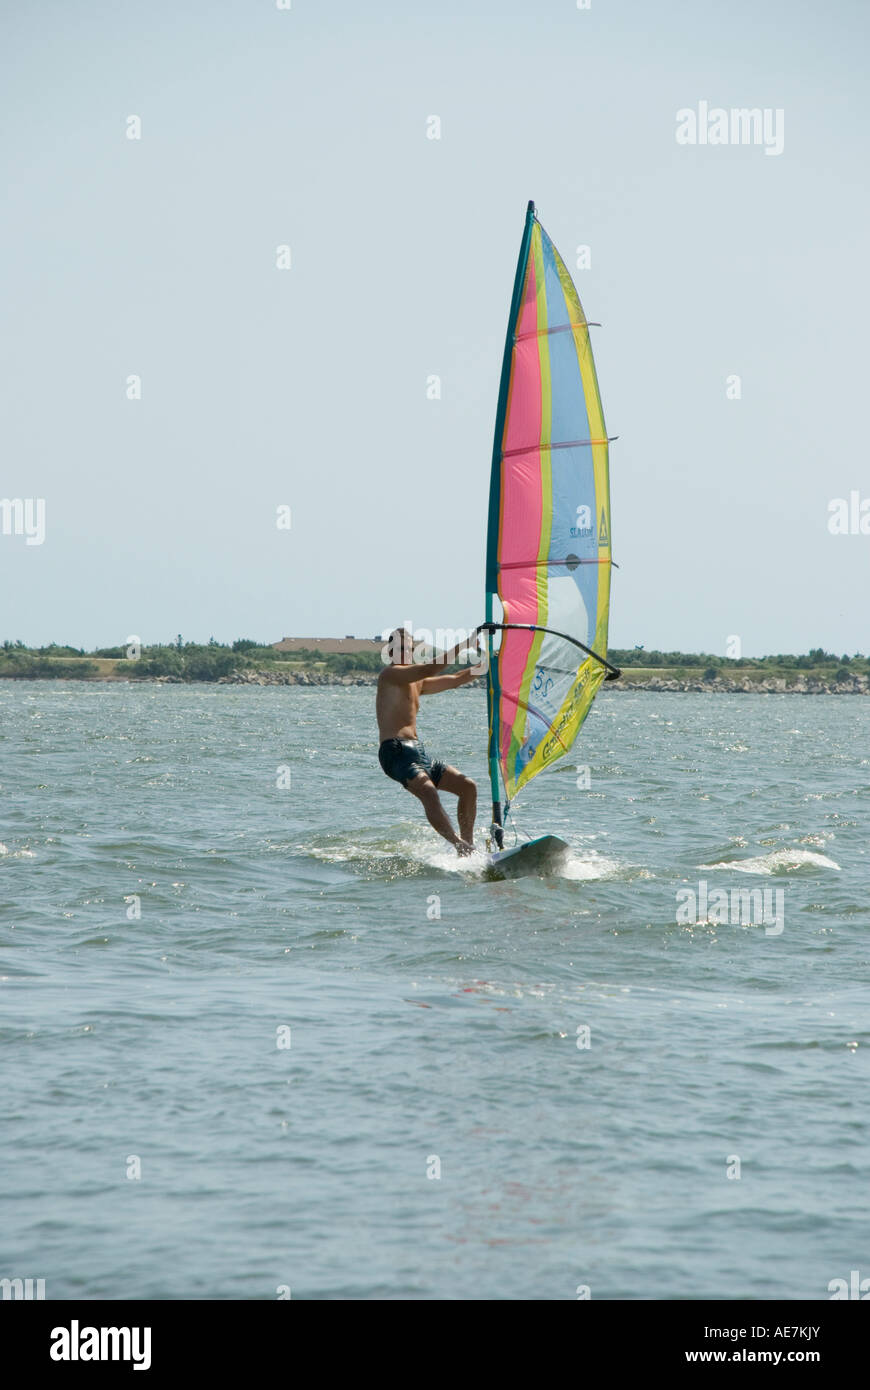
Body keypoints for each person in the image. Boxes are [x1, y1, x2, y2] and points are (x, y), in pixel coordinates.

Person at [376, 627, 484, 855]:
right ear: (390, 651)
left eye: (408, 648)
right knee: (429, 791)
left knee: (468, 787)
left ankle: (468, 848)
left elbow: (456, 679)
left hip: (418, 753)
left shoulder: (418, 682)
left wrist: (488, 663)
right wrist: (464, 645)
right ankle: (458, 844)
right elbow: (430, 667)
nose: (404, 652)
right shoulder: (391, 674)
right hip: (394, 752)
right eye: (399, 648)